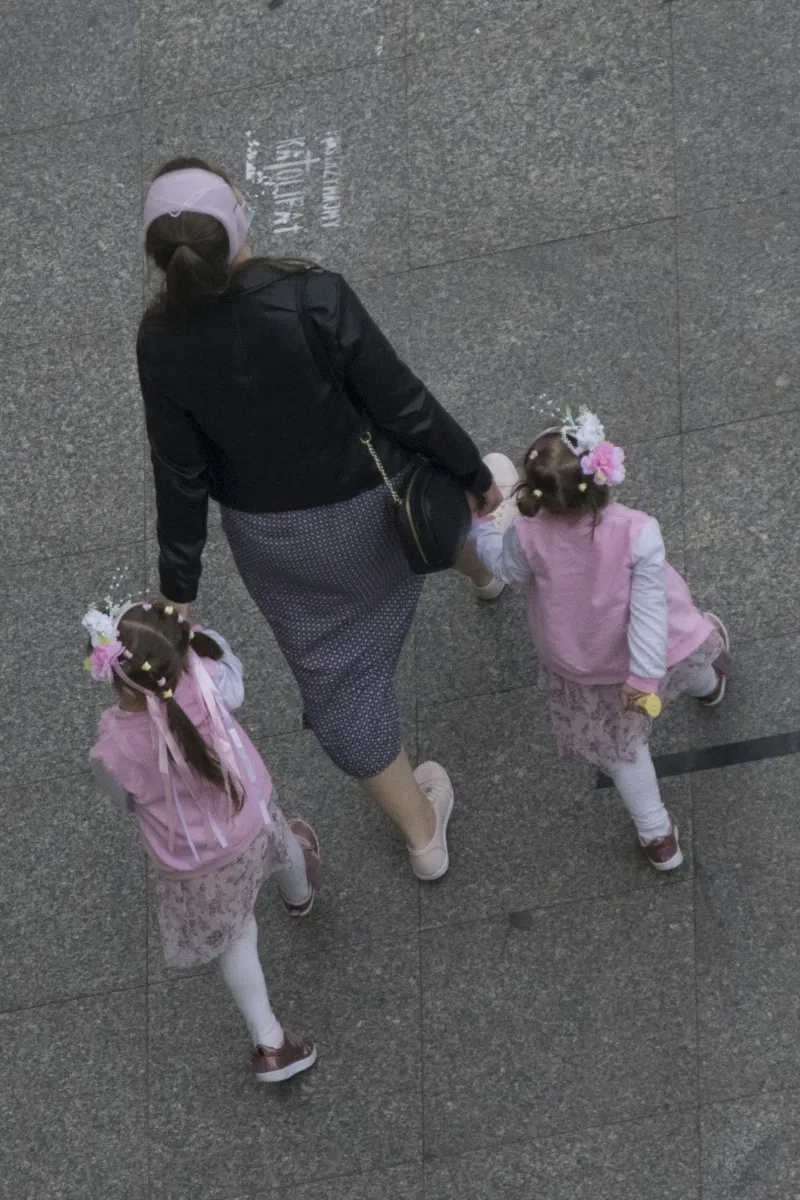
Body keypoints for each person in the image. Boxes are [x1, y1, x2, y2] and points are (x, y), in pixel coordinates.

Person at [137, 156, 503, 883]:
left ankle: (423, 835)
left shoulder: (160, 341)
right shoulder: (312, 296)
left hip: (277, 543)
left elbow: (179, 473)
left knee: (341, 683)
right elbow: (402, 405)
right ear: (239, 220)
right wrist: (472, 473)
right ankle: (489, 574)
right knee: (437, 514)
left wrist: (178, 587)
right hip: (376, 498)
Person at [471, 411, 731, 871]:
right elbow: (649, 612)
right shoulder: (637, 530)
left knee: (624, 750)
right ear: (603, 480)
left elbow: (508, 571)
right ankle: (710, 687)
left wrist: (481, 529)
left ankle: (658, 838)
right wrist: (644, 677)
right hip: (651, 647)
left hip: (586, 660)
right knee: (684, 660)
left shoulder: (527, 532)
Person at [86, 599, 321, 1082]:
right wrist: (202, 643)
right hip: (248, 815)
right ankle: (299, 896)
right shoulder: (210, 680)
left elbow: (124, 798)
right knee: (285, 845)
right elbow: (236, 675)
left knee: (237, 939)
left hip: (196, 862)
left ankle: (270, 1042)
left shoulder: (111, 746)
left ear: (114, 679)